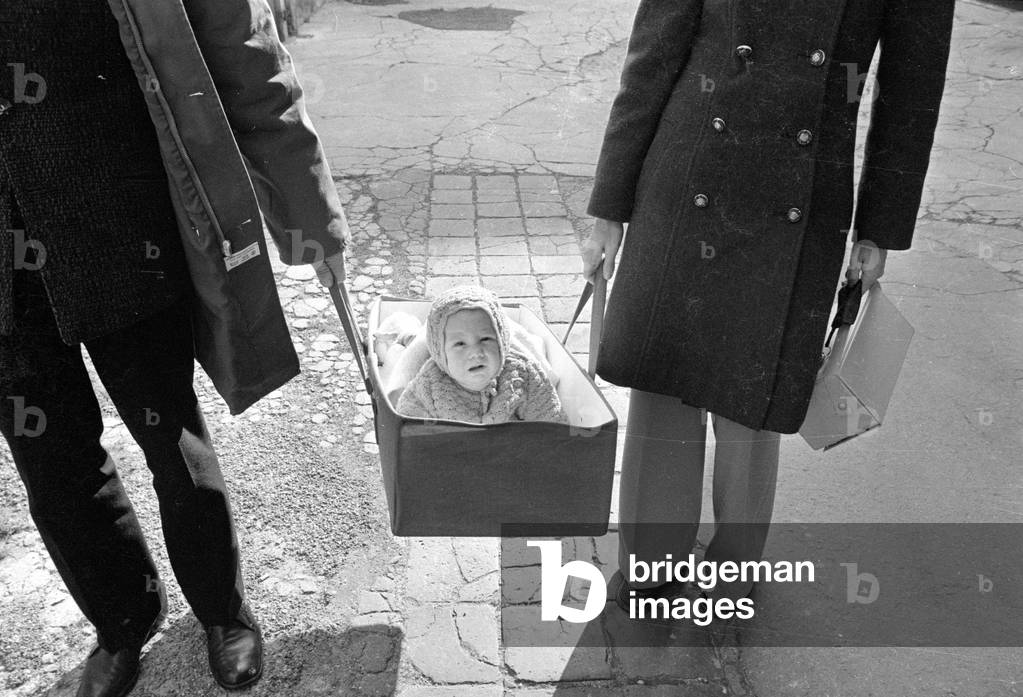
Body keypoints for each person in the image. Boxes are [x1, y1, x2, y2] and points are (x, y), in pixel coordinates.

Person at [0, 1, 348, 695]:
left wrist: (311, 215)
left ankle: (222, 609)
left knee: (169, 434)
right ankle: (123, 618)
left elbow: (243, 51)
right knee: (51, 460)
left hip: (117, 218)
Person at [581, 0, 954, 606]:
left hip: (802, 193)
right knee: (662, 371)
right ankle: (652, 564)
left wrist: (878, 225)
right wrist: (610, 205)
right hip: (687, 166)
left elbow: (912, 88)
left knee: (756, 389)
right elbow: (652, 55)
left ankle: (733, 566)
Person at [391, 286, 566, 424]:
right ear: (441, 354)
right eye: (460, 344)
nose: (475, 352)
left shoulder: (522, 373)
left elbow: (551, 421)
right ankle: (402, 336)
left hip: (509, 459)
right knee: (404, 347)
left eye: (485, 339)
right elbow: (407, 427)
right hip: (455, 462)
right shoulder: (430, 383)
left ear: (502, 342)